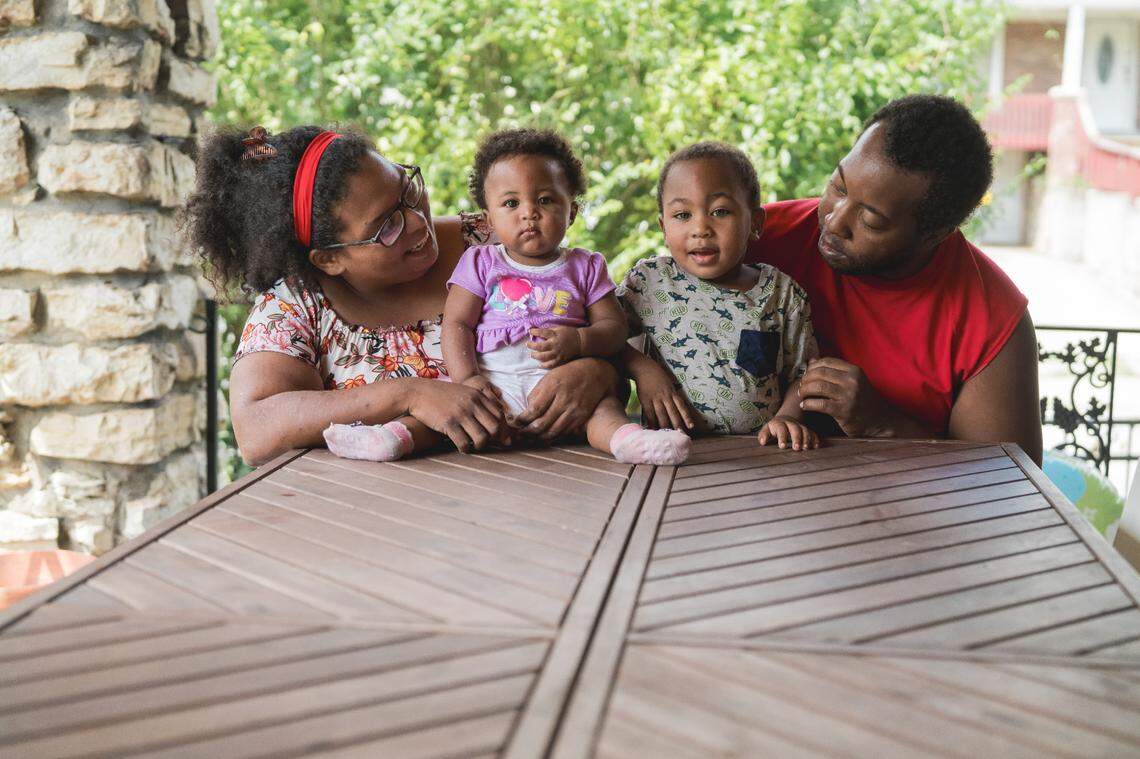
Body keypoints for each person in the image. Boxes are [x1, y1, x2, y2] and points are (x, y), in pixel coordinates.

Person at [183, 125, 620, 465]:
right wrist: (408, 394)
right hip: (386, 521)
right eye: (385, 226)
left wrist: (598, 371)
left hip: (553, 483)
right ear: (329, 260)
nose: (416, 222)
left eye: (408, 189)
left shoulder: (492, 242)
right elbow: (256, 432)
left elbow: (609, 324)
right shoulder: (294, 307)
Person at [747, 95, 1043, 465]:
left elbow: (1004, 483)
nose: (835, 221)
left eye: (871, 220)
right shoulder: (759, 239)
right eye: (838, 187)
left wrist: (882, 425)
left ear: (935, 234)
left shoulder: (990, 318)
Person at [441, 128, 691, 465]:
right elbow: (456, 324)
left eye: (545, 200)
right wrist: (467, 379)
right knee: (444, 415)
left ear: (571, 211)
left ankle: (629, 442)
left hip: (570, 398)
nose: (529, 212)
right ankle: (394, 437)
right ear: (488, 220)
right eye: (511, 203)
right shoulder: (481, 262)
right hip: (494, 388)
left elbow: (614, 329)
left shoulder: (586, 266)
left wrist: (579, 340)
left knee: (605, 409)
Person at [619, 141, 821, 451]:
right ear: (663, 227)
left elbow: (804, 374)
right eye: (682, 215)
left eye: (720, 211)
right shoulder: (648, 282)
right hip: (671, 452)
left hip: (760, 455)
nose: (701, 228)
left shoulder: (781, 294)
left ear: (755, 223)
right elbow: (605, 337)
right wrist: (642, 368)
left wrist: (788, 418)